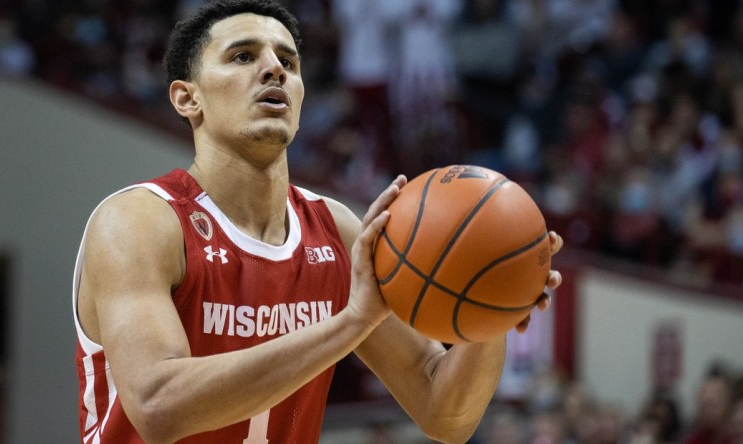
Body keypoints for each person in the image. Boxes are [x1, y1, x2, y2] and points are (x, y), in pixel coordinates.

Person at [72, 1, 564, 443]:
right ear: (187, 98)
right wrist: (353, 321)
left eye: (288, 62)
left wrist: (494, 302)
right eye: (243, 56)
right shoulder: (138, 221)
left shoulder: (335, 230)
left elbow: (445, 416)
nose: (273, 70)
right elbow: (159, 407)